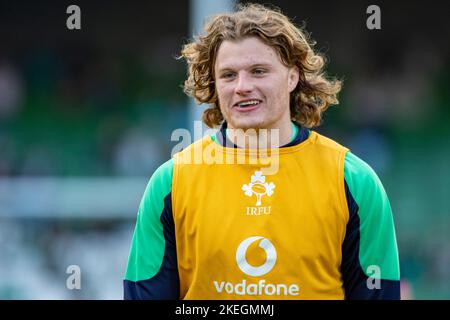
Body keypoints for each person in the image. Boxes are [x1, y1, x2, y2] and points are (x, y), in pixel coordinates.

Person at [123, 3, 400, 300]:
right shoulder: (171, 182)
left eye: (258, 71)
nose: (242, 86)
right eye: (228, 75)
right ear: (215, 85)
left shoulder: (353, 180)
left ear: (292, 77)